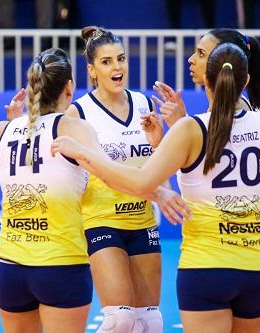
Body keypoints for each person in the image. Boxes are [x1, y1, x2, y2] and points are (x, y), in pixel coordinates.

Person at [51, 42, 260, 333]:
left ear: (206, 80)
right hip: (257, 265)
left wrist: (85, 155)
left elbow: (140, 181)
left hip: (206, 265)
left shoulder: (190, 129)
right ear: (245, 81)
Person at [0, 48, 187, 333]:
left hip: (10, 269)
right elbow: (111, 175)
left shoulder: (5, 130)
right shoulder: (72, 128)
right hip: (60, 265)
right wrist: (159, 193)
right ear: (69, 87)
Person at [65, 26, 165, 333]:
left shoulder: (144, 104)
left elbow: (158, 161)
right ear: (92, 70)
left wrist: (159, 140)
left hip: (143, 221)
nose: (117, 67)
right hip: (102, 221)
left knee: (150, 322)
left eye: (121, 59)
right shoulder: (78, 112)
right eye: (107, 62)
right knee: (121, 320)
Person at [153, 28, 260, 127]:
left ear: (223, 59)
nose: (190, 59)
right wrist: (184, 119)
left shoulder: (235, 108)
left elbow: (208, 163)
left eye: (201, 53)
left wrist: (180, 125)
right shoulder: (227, 102)